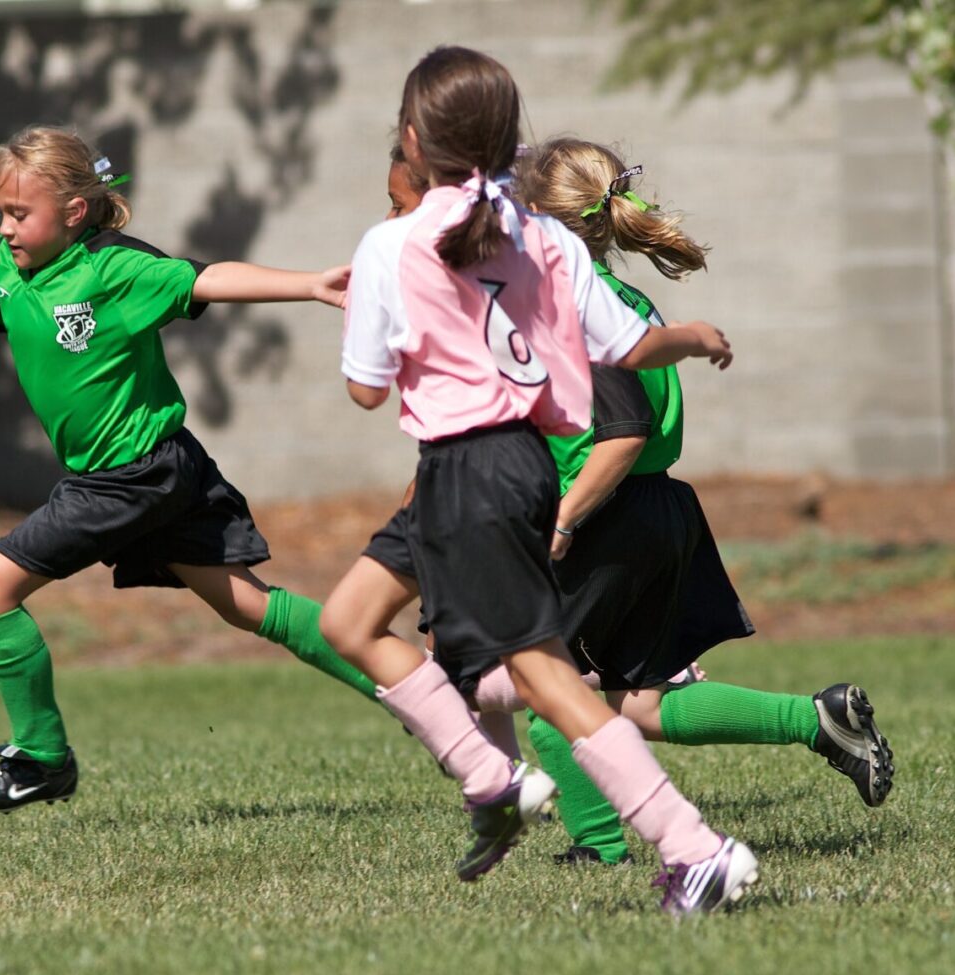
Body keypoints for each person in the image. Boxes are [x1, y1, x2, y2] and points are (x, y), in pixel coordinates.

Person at [319, 46, 754, 917]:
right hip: (505, 467)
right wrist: (694, 333)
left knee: (548, 677)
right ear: (508, 141)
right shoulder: (544, 235)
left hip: (467, 471)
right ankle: (491, 780)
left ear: (413, 140)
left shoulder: (392, 243)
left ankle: (693, 847)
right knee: (351, 619)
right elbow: (625, 349)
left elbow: (366, 390)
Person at [0, 125, 376, 813]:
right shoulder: (4, 270)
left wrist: (310, 285)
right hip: (159, 469)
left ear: (73, 212)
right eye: (0, 211)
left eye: (18, 214)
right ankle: (410, 686)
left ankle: (41, 758)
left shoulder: (112, 268)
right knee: (246, 605)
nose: (4, 228)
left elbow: (204, 276)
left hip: (133, 475)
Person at [497, 136, 895, 866]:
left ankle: (600, 850)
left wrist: (563, 516)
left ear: (539, 224)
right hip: (654, 512)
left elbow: (621, 434)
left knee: (550, 693)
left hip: (609, 517)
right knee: (638, 702)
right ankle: (818, 721)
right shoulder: (619, 294)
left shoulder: (575, 308)